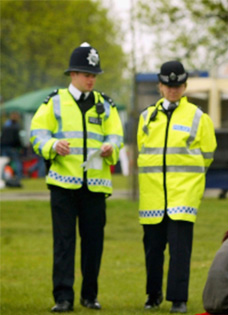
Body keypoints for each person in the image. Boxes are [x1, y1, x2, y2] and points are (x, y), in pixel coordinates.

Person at [29, 43, 123, 312]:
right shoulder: (54, 102)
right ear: (72, 74)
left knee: (94, 244)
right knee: (64, 243)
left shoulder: (106, 105)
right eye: (86, 74)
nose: (91, 79)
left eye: (94, 74)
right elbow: (37, 133)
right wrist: (51, 146)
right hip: (63, 185)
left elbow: (116, 136)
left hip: (95, 185)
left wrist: (111, 147)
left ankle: (89, 296)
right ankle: (63, 297)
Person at [137, 60, 217, 313]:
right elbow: (142, 150)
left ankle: (178, 298)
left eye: (178, 85)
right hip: (152, 196)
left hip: (183, 196)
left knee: (180, 251)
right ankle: (152, 296)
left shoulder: (198, 117)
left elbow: (207, 154)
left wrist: (189, 182)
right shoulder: (147, 116)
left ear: (185, 87)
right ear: (160, 86)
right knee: (153, 250)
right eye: (168, 85)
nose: (173, 90)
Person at [1, 111, 23, 186]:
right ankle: (19, 176)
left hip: (4, 146)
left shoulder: (6, 125)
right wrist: (20, 147)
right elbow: (17, 138)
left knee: (4, 163)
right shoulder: (16, 126)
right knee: (17, 162)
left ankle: (4, 177)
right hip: (12, 147)